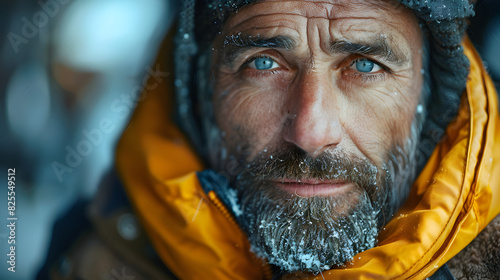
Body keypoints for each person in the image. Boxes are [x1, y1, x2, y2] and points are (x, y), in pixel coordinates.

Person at [38, 0, 500, 279]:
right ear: (200, 93)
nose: (311, 133)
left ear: (432, 97)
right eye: (263, 63)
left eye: (364, 65)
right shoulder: (91, 254)